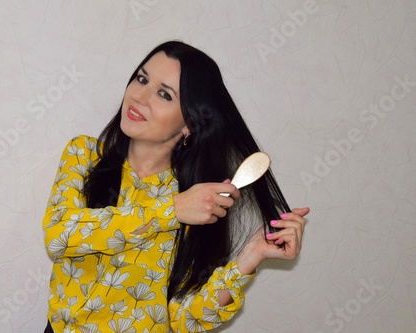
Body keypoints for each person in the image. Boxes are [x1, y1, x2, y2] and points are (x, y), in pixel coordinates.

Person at [42, 41, 309, 333]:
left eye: (164, 94)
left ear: (189, 125)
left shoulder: (198, 199)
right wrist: (172, 209)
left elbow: (186, 319)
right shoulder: (85, 154)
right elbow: (59, 236)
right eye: (141, 79)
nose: (139, 97)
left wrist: (249, 257)